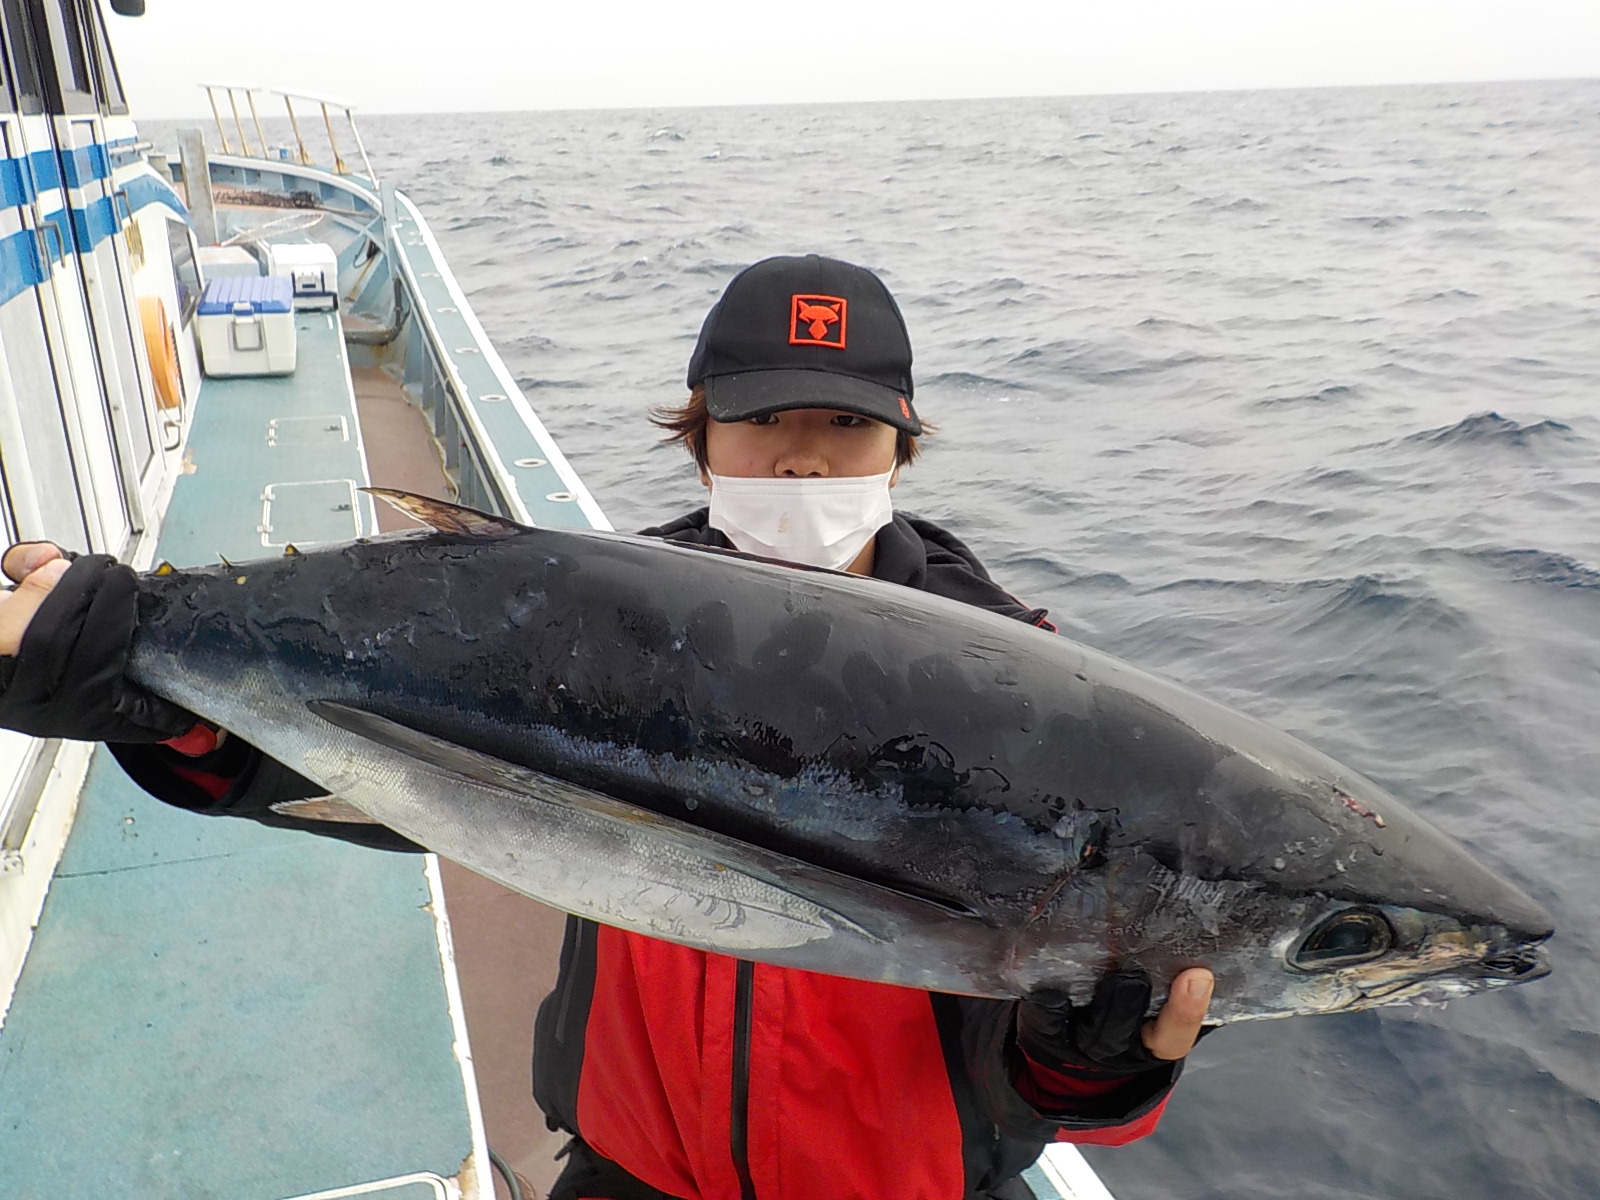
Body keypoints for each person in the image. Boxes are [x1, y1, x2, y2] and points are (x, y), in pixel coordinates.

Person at [0, 254, 1213, 1200]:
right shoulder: (597, 622)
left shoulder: (1027, 698)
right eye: (763, 422)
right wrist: (157, 707)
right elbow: (413, 778)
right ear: (700, 439)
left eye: (843, 427)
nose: (801, 462)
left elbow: (1041, 1071)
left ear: (901, 445)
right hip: (627, 1170)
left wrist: (1086, 1060)